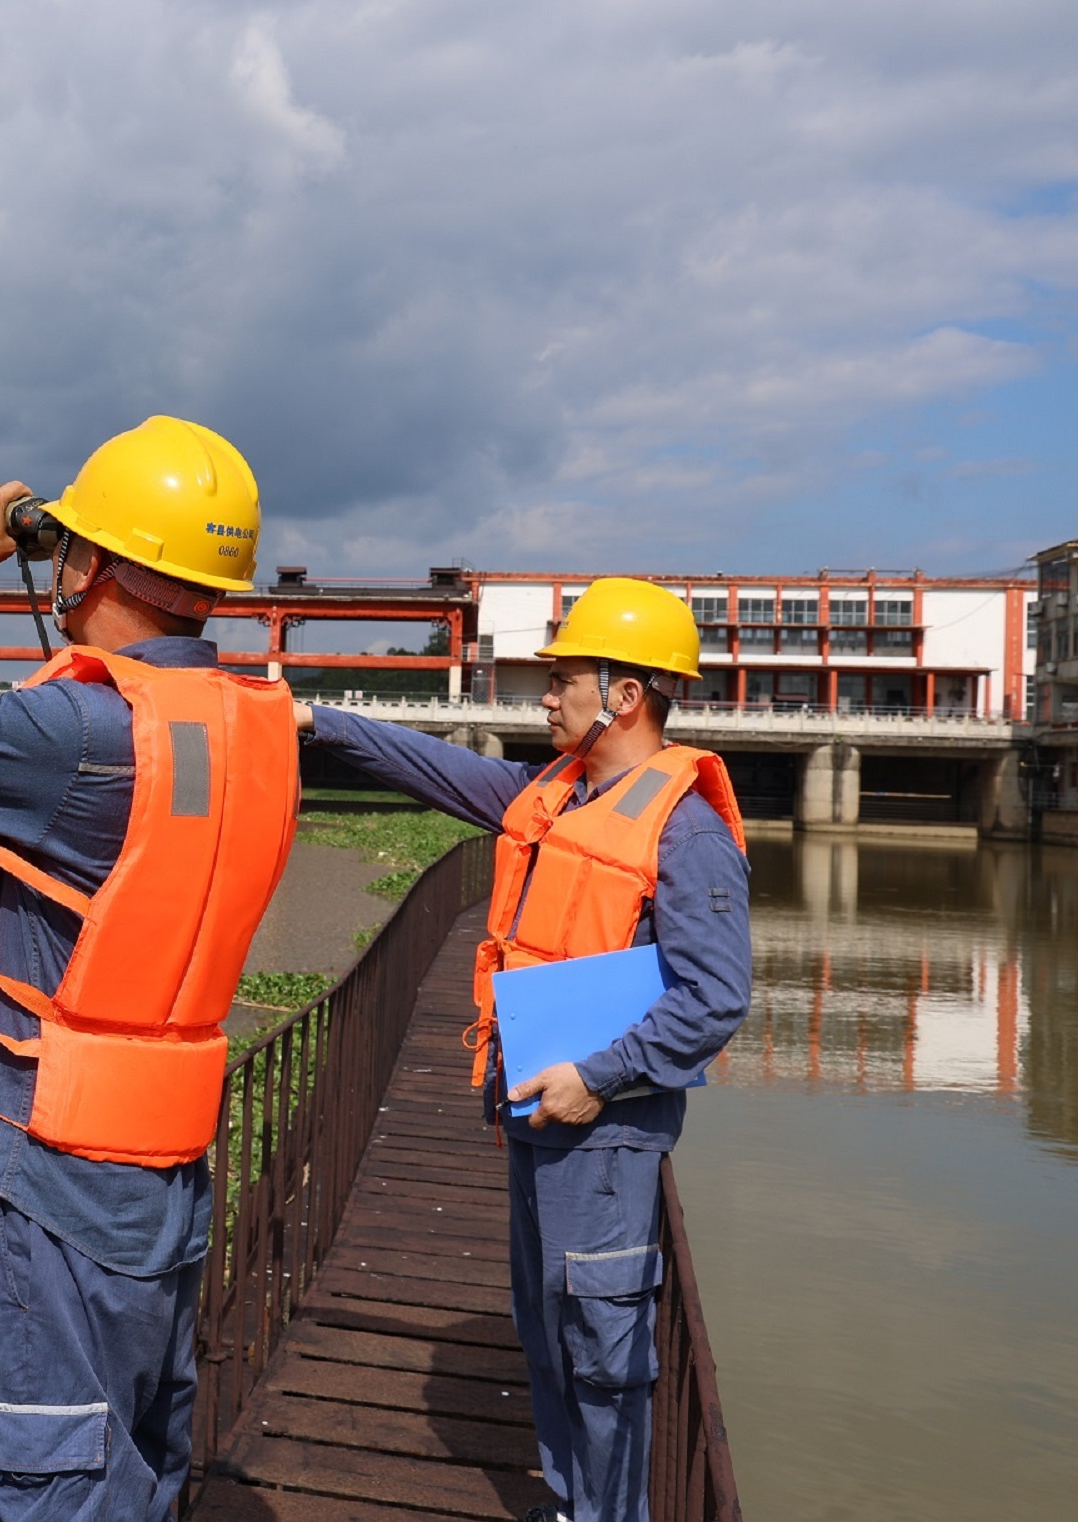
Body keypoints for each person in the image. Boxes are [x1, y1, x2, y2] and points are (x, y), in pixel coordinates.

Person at [0, 416, 300, 1521]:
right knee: (126, 1459)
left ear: (89, 563)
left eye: (70, 545)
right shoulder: (238, 725)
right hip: (161, 1180)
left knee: (42, 1479)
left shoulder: (74, 734)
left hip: (48, 1178)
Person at [294, 578, 751, 1522]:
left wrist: (598, 1077)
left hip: (606, 1137)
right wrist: (316, 722)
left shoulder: (688, 830)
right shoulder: (553, 796)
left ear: (624, 696)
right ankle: (568, 1503)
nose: (545, 697)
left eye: (564, 680)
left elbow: (717, 996)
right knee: (549, 1339)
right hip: (536, 1124)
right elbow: (429, 769)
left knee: (604, 1361)